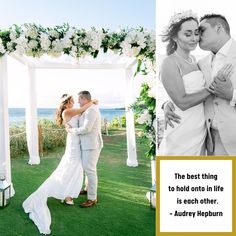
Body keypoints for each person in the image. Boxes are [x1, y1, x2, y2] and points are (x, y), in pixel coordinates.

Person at [158, 11, 232, 155]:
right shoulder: (169, 62)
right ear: (174, 36)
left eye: (196, 33)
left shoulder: (197, 62)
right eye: (188, 34)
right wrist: (214, 87)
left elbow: (190, 90)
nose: (194, 38)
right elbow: (182, 101)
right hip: (182, 126)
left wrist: (166, 104)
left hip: (201, 130)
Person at [22, 94, 96, 235]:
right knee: (69, 168)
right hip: (73, 143)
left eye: (76, 100)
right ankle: (67, 196)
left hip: (77, 141)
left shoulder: (71, 110)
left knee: (75, 169)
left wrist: (90, 104)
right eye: (72, 100)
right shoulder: (66, 112)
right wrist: (92, 101)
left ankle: (67, 195)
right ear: (67, 102)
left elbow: (83, 113)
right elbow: (82, 110)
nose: (75, 102)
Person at [67, 90, 103, 208]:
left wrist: (72, 131)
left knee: (90, 170)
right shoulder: (88, 109)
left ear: (84, 99)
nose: (78, 101)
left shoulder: (91, 110)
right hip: (87, 144)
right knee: (87, 169)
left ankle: (92, 198)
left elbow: (86, 129)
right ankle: (87, 189)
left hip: (91, 145)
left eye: (79, 99)